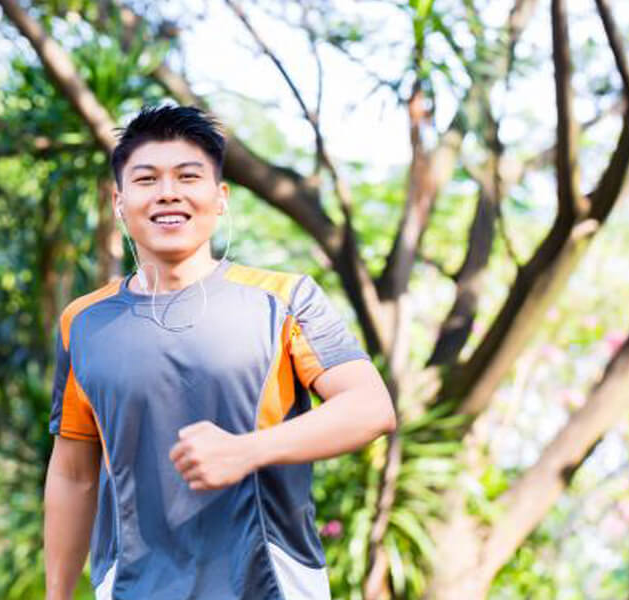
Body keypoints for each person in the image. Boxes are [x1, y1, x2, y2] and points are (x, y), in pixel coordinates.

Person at [44, 104, 396, 600]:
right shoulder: (82, 322)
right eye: (146, 179)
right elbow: (72, 473)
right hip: (132, 589)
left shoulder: (285, 298)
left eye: (188, 176)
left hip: (271, 585)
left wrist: (246, 450)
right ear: (119, 202)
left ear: (220, 198)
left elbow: (371, 407)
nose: (168, 192)